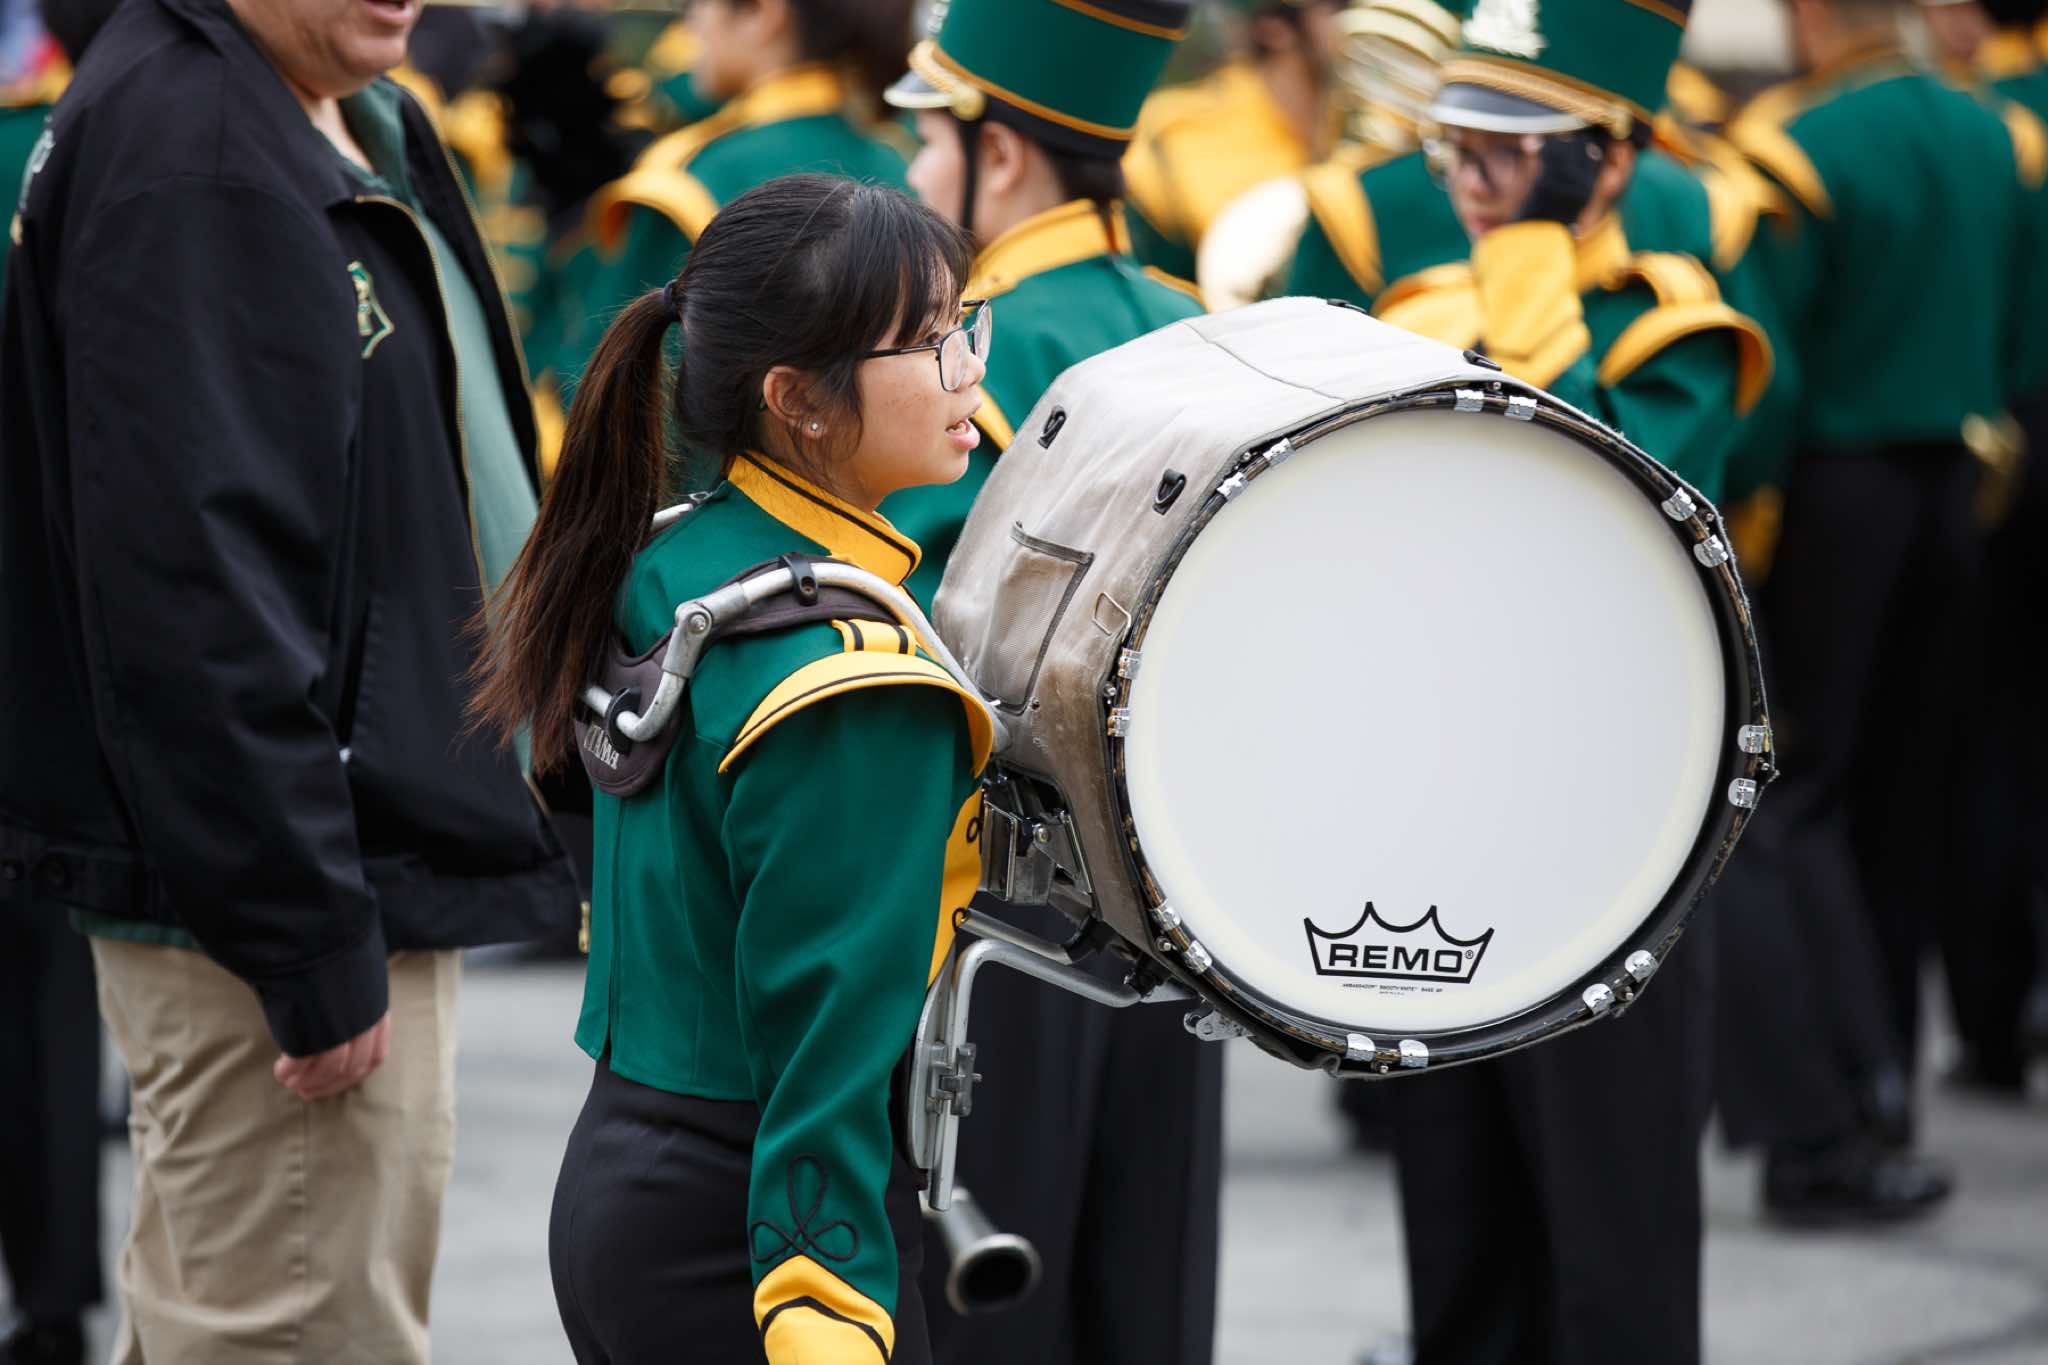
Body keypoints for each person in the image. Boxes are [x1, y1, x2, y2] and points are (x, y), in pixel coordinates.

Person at [0, 0, 582, 1357]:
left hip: (340, 859)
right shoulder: (195, 142)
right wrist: (303, 931)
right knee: (294, 1331)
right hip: (297, 893)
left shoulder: (330, 96)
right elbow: (190, 591)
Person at [470, 172, 988, 1365]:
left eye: (966, 325)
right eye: (927, 342)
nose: (967, 369)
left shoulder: (681, 556)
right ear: (796, 399)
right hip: (759, 1234)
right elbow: (826, 1033)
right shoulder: (852, 681)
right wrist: (825, 1298)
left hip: (624, 1176)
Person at [1367, 1, 1768, 1360]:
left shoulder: (1675, 327)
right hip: (1440, 802)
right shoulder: (1417, 312)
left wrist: (1535, 255)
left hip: (1612, 818)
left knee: (1614, 1219)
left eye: (1510, 151)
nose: (1470, 180)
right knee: (1457, 1207)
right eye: (1456, 148)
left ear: (1608, 159)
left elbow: (1609, 510)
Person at [880, 5, 1221, 1363]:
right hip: (1184, 894)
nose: (913, 172)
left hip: (1000, 893)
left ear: (1002, 153)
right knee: (1145, 1291)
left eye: (927, 138)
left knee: (991, 1296)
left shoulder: (964, 347)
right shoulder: (1195, 324)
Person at [1716, 0, 2043, 1218]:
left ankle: (1827, 1111)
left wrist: (1748, 508)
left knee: (1794, 798)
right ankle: (1883, 1083)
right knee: (1905, 805)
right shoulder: (1994, 133)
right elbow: (2018, 334)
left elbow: (1771, 375)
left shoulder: (1793, 145)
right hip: (1956, 482)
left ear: (1807, 15)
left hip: (1830, 494)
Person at [544, 0, 914, 419]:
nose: (690, 24)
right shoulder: (901, 166)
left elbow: (612, 396)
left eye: (698, 4)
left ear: (762, 14)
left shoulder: (698, 174)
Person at [1122, 0, 1349, 285]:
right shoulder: (1176, 131)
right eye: (1341, 7)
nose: (1369, 17)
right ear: (1275, 28)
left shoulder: (1362, 129)